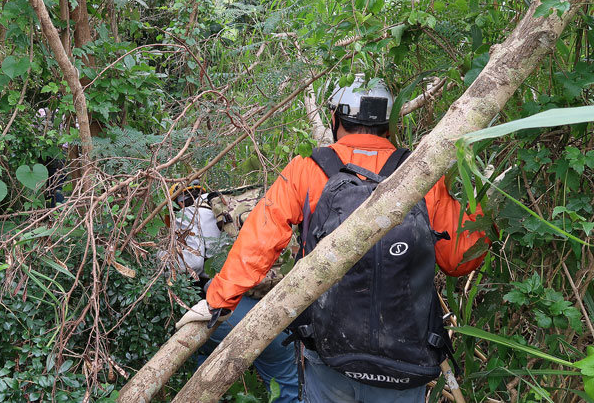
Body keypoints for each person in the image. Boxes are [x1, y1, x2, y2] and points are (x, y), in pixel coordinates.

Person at [175, 75, 491, 403]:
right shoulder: (420, 172)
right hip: (405, 359)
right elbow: (461, 258)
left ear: (336, 119)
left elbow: (261, 238)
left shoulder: (307, 168)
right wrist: (482, 197)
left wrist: (218, 300)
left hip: (330, 354)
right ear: (388, 123)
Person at [169, 182, 300, 402]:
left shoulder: (188, 214)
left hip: (231, 306)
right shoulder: (229, 207)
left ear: (179, 201)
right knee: (286, 385)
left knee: (199, 346)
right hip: (279, 299)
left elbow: (188, 264)